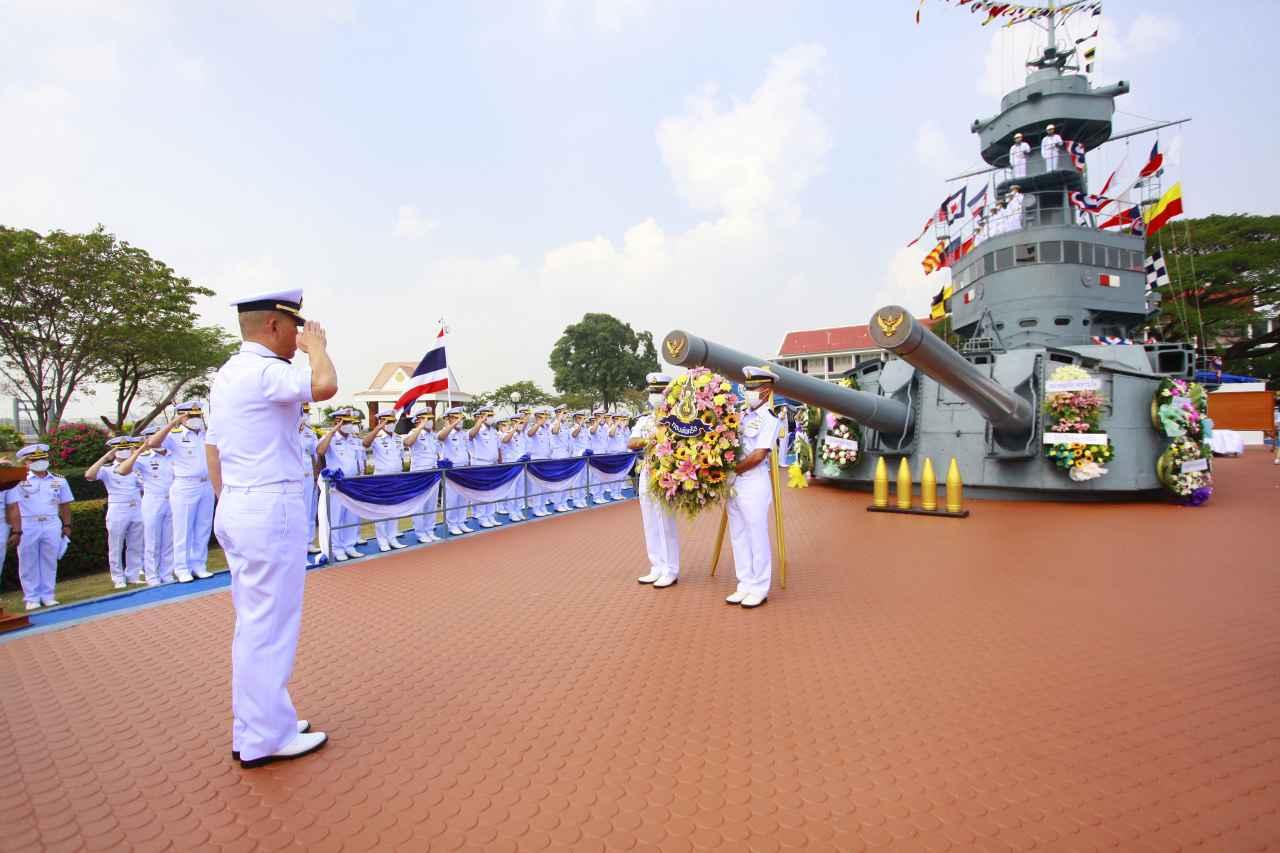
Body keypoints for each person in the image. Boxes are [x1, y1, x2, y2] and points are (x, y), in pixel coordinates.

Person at [206, 286, 337, 768]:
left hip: (241, 502)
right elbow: (324, 386)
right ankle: (266, 737)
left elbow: (213, 448)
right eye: (296, 327)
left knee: (254, 622)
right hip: (268, 504)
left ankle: (257, 724)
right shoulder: (264, 371)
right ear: (273, 325)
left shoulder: (228, 374)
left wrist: (230, 501)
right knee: (271, 625)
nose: (300, 336)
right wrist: (318, 348)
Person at [725, 367, 782, 610]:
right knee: (738, 534)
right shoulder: (741, 416)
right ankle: (745, 582)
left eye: (752, 388)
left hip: (753, 480)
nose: (748, 392)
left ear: (766, 390)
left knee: (756, 535)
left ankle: (759, 587)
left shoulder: (770, 419)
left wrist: (734, 470)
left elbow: (759, 455)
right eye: (746, 388)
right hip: (735, 481)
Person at [144, 399, 214, 583]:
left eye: (197, 415)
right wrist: (172, 423)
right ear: (182, 417)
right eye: (190, 415)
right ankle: (181, 568)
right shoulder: (174, 435)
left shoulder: (206, 434)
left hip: (206, 484)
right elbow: (152, 443)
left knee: (203, 527)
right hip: (185, 485)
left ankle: (199, 565)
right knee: (183, 529)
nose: (195, 419)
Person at [5, 444, 73, 609]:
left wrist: (67, 525)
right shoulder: (18, 480)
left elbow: (65, 505)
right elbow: (11, 504)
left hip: (51, 522)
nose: (39, 462)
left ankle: (48, 595)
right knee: (28, 562)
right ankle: (32, 598)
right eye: (34, 460)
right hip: (28, 523)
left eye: (42, 458)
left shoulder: (59, 480)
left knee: (49, 560)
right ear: (26, 462)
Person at [632, 373, 680, 588]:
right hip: (646, 470)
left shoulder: (677, 417)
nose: (655, 396)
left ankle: (670, 569)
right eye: (652, 392)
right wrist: (651, 439)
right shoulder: (645, 419)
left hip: (666, 472)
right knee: (650, 520)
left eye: (659, 391)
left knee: (665, 522)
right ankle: (656, 566)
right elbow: (631, 442)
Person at [85, 436, 146, 589]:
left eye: (127, 448)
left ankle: (133, 574)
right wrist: (106, 457)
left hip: (137, 507)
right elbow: (89, 475)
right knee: (116, 545)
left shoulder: (136, 467)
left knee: (135, 544)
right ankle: (118, 577)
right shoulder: (107, 469)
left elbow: (144, 487)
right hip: (118, 509)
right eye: (120, 449)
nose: (125, 451)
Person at [118, 425, 176, 585]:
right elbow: (122, 470)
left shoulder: (174, 454)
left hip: (173, 499)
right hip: (153, 501)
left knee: (169, 540)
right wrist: (139, 450)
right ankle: (152, 575)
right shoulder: (143, 458)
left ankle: (167, 573)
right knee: (152, 541)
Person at [317, 409, 364, 561]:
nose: (349, 425)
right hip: (336, 485)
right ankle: (336, 548)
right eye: (346, 422)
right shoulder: (330, 437)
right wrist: (332, 431)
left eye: (350, 422)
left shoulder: (354, 439)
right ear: (337, 422)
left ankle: (349, 546)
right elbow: (320, 451)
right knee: (335, 517)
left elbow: (359, 459)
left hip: (352, 484)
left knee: (352, 517)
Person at [364, 404, 410, 549]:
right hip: (382, 478)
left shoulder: (398, 438)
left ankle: (392, 537)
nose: (391, 424)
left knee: (394, 509)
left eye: (392, 421)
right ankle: (382, 541)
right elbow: (365, 443)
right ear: (381, 422)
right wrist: (378, 428)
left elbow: (401, 457)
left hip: (396, 478)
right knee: (381, 510)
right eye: (388, 421)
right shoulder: (377, 437)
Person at [404, 402, 442, 542]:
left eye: (430, 419)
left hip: (433, 472)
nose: (430, 421)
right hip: (419, 474)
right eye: (426, 419)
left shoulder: (433, 435)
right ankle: (420, 532)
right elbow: (408, 443)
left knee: (431, 504)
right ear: (418, 420)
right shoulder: (414, 433)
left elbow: (438, 453)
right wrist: (420, 427)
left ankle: (429, 530)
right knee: (420, 505)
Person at [436, 406, 472, 535]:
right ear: (449, 419)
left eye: (460, 418)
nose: (459, 420)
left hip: (464, 469)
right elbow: (440, 437)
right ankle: (451, 524)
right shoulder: (446, 432)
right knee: (451, 498)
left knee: (463, 497)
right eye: (456, 418)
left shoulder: (463, 433)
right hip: (451, 471)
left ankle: (461, 521)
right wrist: (451, 425)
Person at [467, 405, 500, 528]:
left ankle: (490, 515)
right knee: (481, 492)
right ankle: (482, 517)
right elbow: (471, 435)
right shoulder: (477, 429)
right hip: (480, 464)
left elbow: (497, 448)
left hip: (493, 464)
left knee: (492, 492)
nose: (490, 418)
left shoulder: (493, 431)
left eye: (491, 415)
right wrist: (479, 422)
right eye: (488, 415)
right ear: (481, 417)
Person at [298, 403, 321, 556]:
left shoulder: (310, 433)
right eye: (303, 412)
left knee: (310, 510)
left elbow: (315, 455)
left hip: (308, 477)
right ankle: (297, 545)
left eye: (307, 412)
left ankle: (309, 542)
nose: (305, 415)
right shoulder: (286, 430)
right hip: (292, 478)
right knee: (296, 512)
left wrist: (316, 476)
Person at [499, 411, 528, 521]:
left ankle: (518, 510)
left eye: (522, 423)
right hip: (511, 466)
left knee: (520, 489)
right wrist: (514, 428)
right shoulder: (507, 433)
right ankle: (511, 512)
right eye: (519, 422)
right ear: (513, 423)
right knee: (512, 490)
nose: (521, 425)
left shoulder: (522, 435)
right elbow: (505, 440)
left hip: (521, 465)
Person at [525, 407, 553, 517]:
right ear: (537, 417)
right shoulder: (532, 426)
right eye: (542, 416)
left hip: (546, 458)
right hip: (536, 460)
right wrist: (538, 424)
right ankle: (536, 508)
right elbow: (530, 434)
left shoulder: (546, 428)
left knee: (545, 485)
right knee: (536, 486)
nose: (545, 418)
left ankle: (542, 506)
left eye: (546, 416)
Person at [548, 405, 573, 512]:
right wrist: (558, 418)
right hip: (557, 455)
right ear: (557, 414)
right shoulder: (553, 424)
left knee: (566, 481)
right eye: (563, 413)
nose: (565, 415)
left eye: (565, 413)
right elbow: (555, 431)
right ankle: (557, 504)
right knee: (559, 481)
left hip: (566, 454)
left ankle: (563, 502)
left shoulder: (565, 426)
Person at [587, 408, 610, 504]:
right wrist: (597, 421)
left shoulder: (605, 427)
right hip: (596, 455)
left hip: (604, 454)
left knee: (603, 476)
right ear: (596, 417)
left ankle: (601, 495)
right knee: (596, 478)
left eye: (603, 416)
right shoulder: (592, 427)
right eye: (600, 416)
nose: (602, 417)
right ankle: (596, 497)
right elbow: (592, 431)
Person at [568, 411, 591, 509]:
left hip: (585, 456)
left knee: (584, 479)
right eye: (579, 418)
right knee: (577, 480)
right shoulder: (573, 427)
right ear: (575, 419)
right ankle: (576, 500)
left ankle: (582, 498)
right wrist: (580, 425)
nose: (582, 419)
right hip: (577, 456)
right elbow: (574, 435)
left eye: (583, 418)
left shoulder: (585, 428)